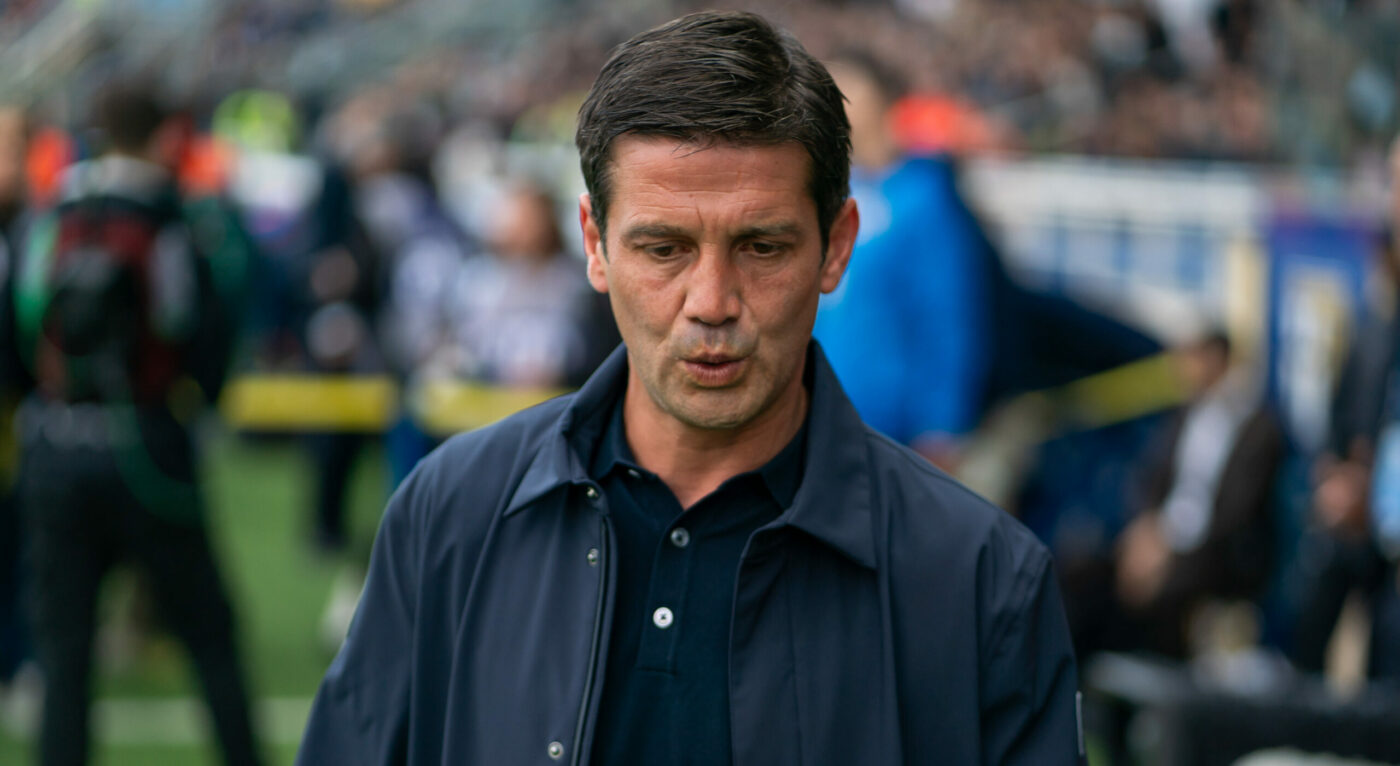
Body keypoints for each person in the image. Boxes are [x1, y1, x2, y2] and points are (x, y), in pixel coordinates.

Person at [299, 11, 1083, 765]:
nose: (711, 301)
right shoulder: (449, 514)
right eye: (664, 248)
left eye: (762, 246)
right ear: (595, 245)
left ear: (835, 247)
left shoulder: (983, 579)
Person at [12, 85, 263, 766]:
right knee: (209, 635)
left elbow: (21, 319)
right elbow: (197, 327)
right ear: (164, 137)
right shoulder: (169, 219)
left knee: (64, 652)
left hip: (56, 443)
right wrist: (196, 400)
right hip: (147, 446)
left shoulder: (52, 213)